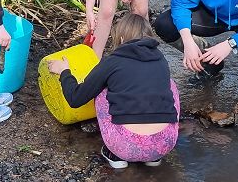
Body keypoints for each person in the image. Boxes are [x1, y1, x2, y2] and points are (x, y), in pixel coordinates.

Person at [48, 14, 179, 169]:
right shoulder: (161, 60)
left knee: (103, 89)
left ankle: (114, 155)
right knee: (171, 85)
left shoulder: (113, 61)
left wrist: (64, 72)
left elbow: (75, 98)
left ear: (122, 39)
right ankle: (152, 158)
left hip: (124, 146)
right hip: (164, 144)